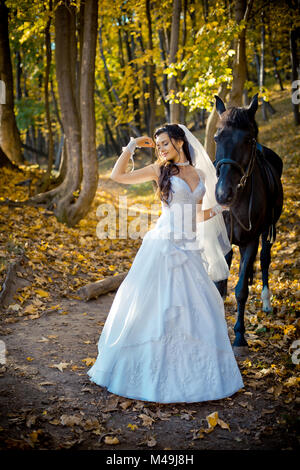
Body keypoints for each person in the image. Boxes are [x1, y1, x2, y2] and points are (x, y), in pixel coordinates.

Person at [87, 124, 244, 403]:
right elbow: (117, 175)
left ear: (180, 142)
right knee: (156, 310)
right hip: (164, 245)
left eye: (164, 143)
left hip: (189, 249)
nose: (160, 148)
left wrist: (223, 207)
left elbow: (196, 216)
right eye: (158, 144)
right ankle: (146, 373)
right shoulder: (160, 170)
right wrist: (133, 145)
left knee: (198, 310)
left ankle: (194, 376)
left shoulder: (197, 174)